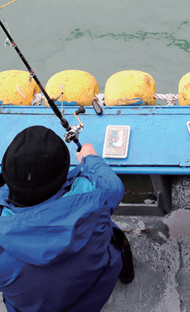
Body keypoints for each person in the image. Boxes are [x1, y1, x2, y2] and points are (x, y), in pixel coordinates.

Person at [0, 125, 134, 312]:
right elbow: (114, 185)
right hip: (96, 292)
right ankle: (127, 275)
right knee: (117, 238)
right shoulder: (98, 193)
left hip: (32, 308)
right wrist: (90, 157)